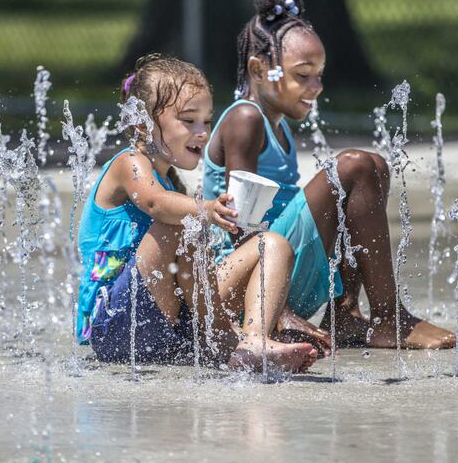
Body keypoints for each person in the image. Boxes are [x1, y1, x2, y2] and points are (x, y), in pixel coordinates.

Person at [203, 0, 458, 350]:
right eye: (303, 75)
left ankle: (344, 312)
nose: (317, 86)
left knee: (373, 167)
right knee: (356, 167)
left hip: (274, 271)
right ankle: (388, 318)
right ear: (259, 69)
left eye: (320, 74)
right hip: (245, 286)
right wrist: (276, 312)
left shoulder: (276, 122)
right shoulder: (245, 119)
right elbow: (240, 227)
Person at [76, 53, 318, 372]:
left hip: (170, 328)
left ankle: (254, 338)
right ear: (142, 123)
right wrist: (206, 210)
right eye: (189, 120)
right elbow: (155, 204)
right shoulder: (128, 164)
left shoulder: (172, 184)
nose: (202, 132)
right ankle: (222, 341)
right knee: (179, 225)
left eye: (206, 120)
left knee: (270, 243)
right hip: (117, 329)